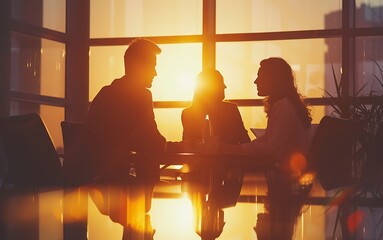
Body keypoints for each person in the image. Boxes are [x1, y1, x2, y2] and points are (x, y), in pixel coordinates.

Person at [69, 38, 166, 239]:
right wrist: (166, 144)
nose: (156, 74)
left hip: (90, 185)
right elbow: (151, 141)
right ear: (140, 67)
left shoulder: (106, 93)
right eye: (153, 67)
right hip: (115, 188)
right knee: (147, 202)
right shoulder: (140, 95)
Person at [220, 57, 312, 239]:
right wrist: (235, 148)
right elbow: (265, 143)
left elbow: (272, 150)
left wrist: (232, 149)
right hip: (288, 184)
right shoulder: (285, 105)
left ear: (273, 79)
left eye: (260, 76)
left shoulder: (283, 107)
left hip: (284, 184)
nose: (255, 81)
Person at [181, 68, 251, 238]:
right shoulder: (229, 110)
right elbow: (245, 142)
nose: (225, 87)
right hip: (227, 177)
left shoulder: (190, 113)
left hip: (203, 178)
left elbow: (187, 146)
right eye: (221, 83)